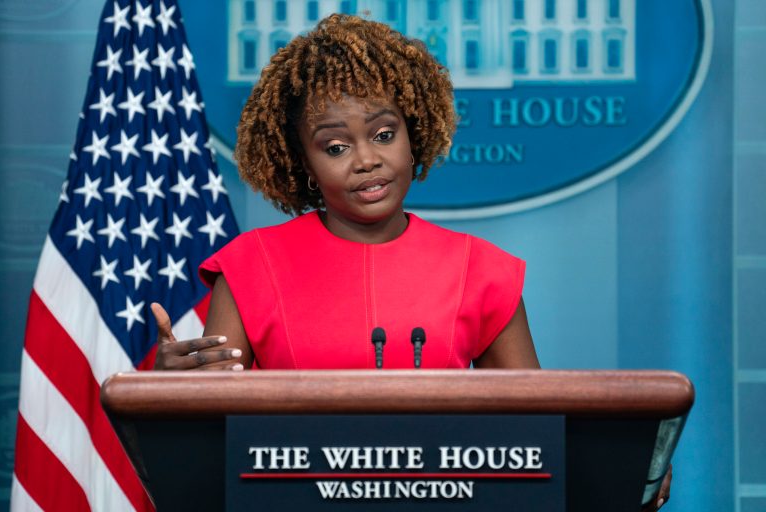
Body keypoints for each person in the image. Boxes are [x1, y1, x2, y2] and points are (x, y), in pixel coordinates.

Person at [149, 13, 669, 510]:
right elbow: (211, 440)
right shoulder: (249, 266)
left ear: (412, 132)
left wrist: (620, 469)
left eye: (382, 134)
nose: (367, 159)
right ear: (303, 161)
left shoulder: (482, 270)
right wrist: (174, 391)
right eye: (334, 146)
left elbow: (535, 444)